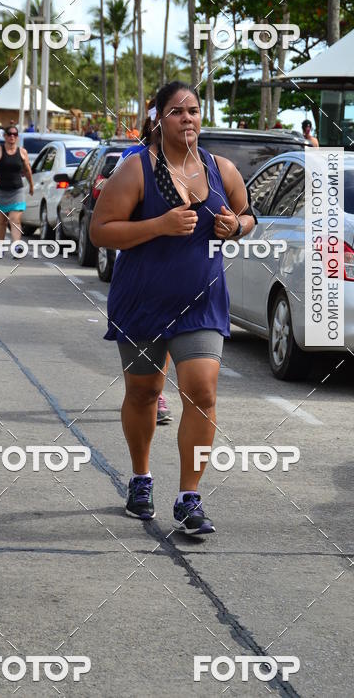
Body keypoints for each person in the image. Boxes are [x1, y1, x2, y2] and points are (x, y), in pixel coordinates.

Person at [90, 81, 255, 535]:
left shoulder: (221, 169)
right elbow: (100, 232)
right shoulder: (136, 170)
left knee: (202, 393)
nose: (188, 118)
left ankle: (189, 496)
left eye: (194, 111)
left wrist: (234, 226)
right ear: (159, 118)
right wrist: (159, 224)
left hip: (201, 303)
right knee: (144, 392)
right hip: (142, 301)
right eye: (177, 111)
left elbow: (248, 216)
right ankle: (141, 479)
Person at [114, 100, 173, 426]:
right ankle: (143, 392)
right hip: (136, 262)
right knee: (144, 338)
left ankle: (157, 393)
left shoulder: (187, 161)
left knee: (164, 335)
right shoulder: (131, 160)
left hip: (172, 264)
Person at [0, 125, 34, 248]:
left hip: (17, 191)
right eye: (9, 134)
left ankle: (16, 246)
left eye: (14, 134)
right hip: (1, 191)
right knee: (2, 221)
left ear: (17, 137)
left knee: (14, 219)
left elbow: (27, 170)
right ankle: (1, 245)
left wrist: (31, 185)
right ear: (5, 136)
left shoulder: (22, 152)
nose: (12, 136)